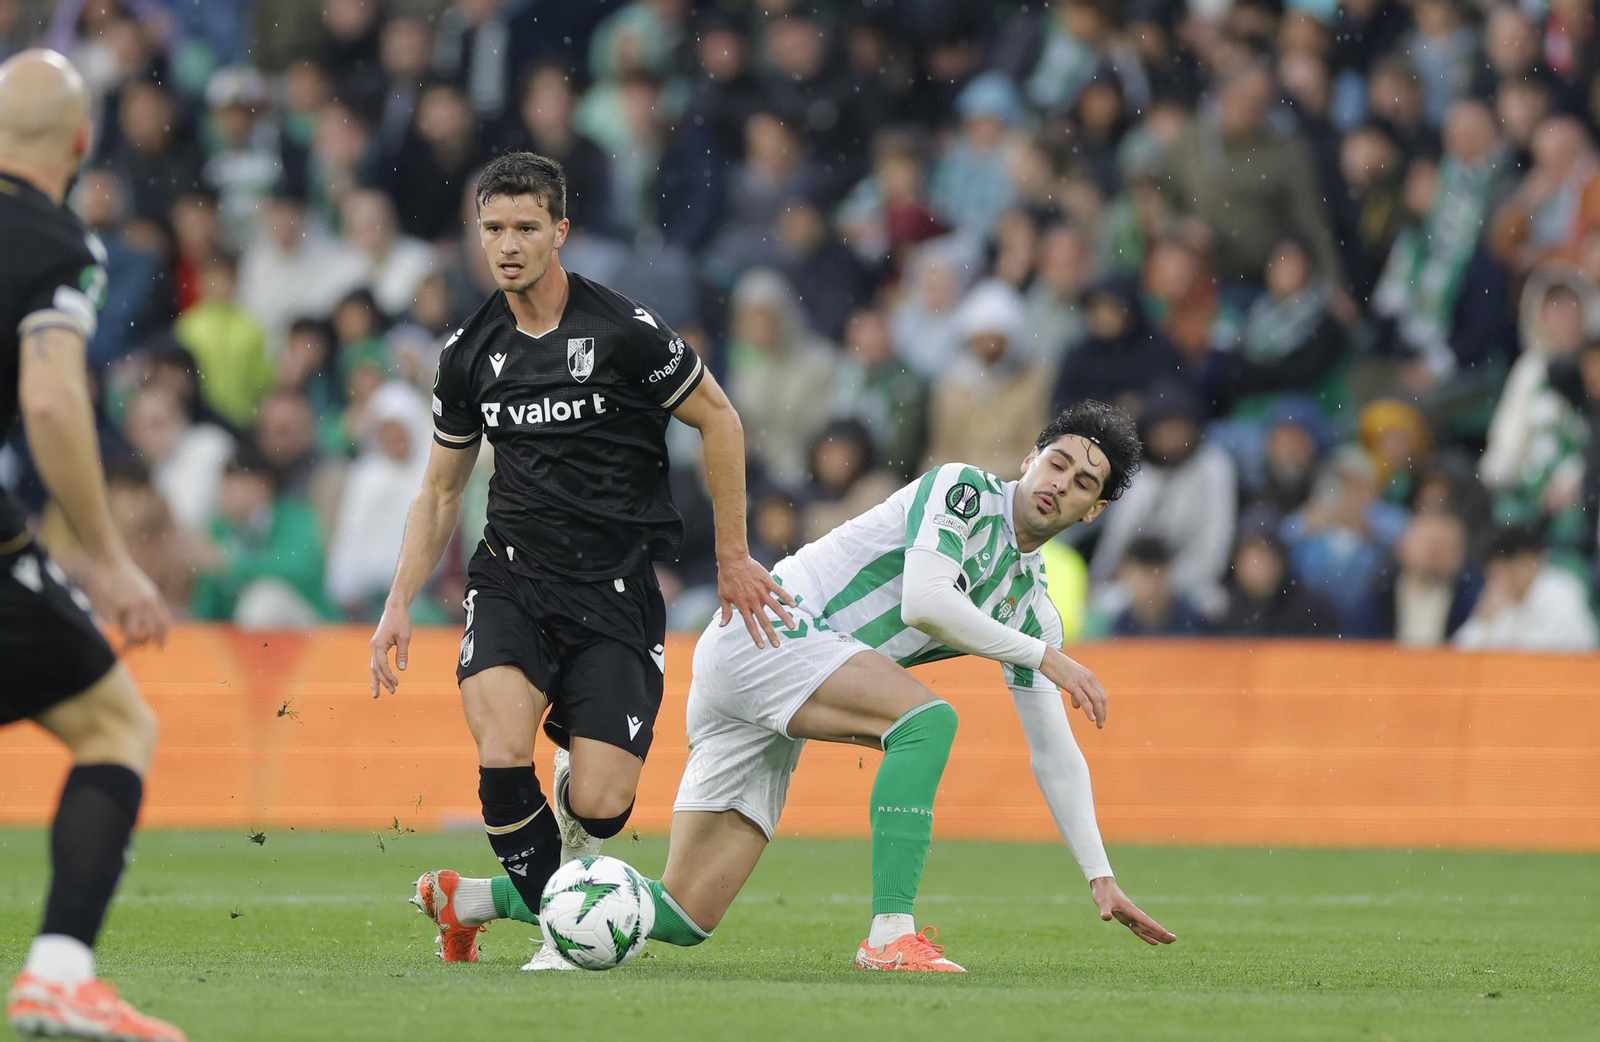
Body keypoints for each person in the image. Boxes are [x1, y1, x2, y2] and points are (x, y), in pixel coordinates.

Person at [431, 402, 1177, 971]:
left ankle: (466, 900)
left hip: (776, 674)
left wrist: (1100, 877)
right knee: (927, 722)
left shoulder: (1032, 606)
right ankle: (890, 935)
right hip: (772, 630)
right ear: (1030, 457)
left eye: (1084, 483)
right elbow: (925, 601)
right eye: (1057, 463)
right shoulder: (964, 494)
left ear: (1095, 511)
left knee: (687, 915)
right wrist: (1044, 657)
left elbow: (1054, 752)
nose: (1061, 484)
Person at [377, 152, 790, 972]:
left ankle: (474, 900)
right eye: (493, 228)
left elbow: (722, 421)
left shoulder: (626, 332)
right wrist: (397, 603)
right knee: (500, 744)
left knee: (602, 802)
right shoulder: (466, 354)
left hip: (617, 591)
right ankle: (566, 935)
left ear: (559, 232)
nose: (507, 244)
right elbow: (438, 491)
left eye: (526, 227)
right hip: (512, 579)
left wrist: (734, 555)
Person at [0, 49, 183, 1042]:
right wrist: (109, 558)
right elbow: (48, 394)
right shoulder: (50, 239)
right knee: (116, 728)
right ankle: (59, 975)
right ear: (79, 143)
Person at [1453, 524, 1599, 652]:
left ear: (1531, 560)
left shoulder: (1562, 592)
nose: (1500, 580)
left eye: (1507, 569)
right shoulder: (1499, 604)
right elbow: (1457, 657)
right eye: (1494, 574)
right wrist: (1483, 621)